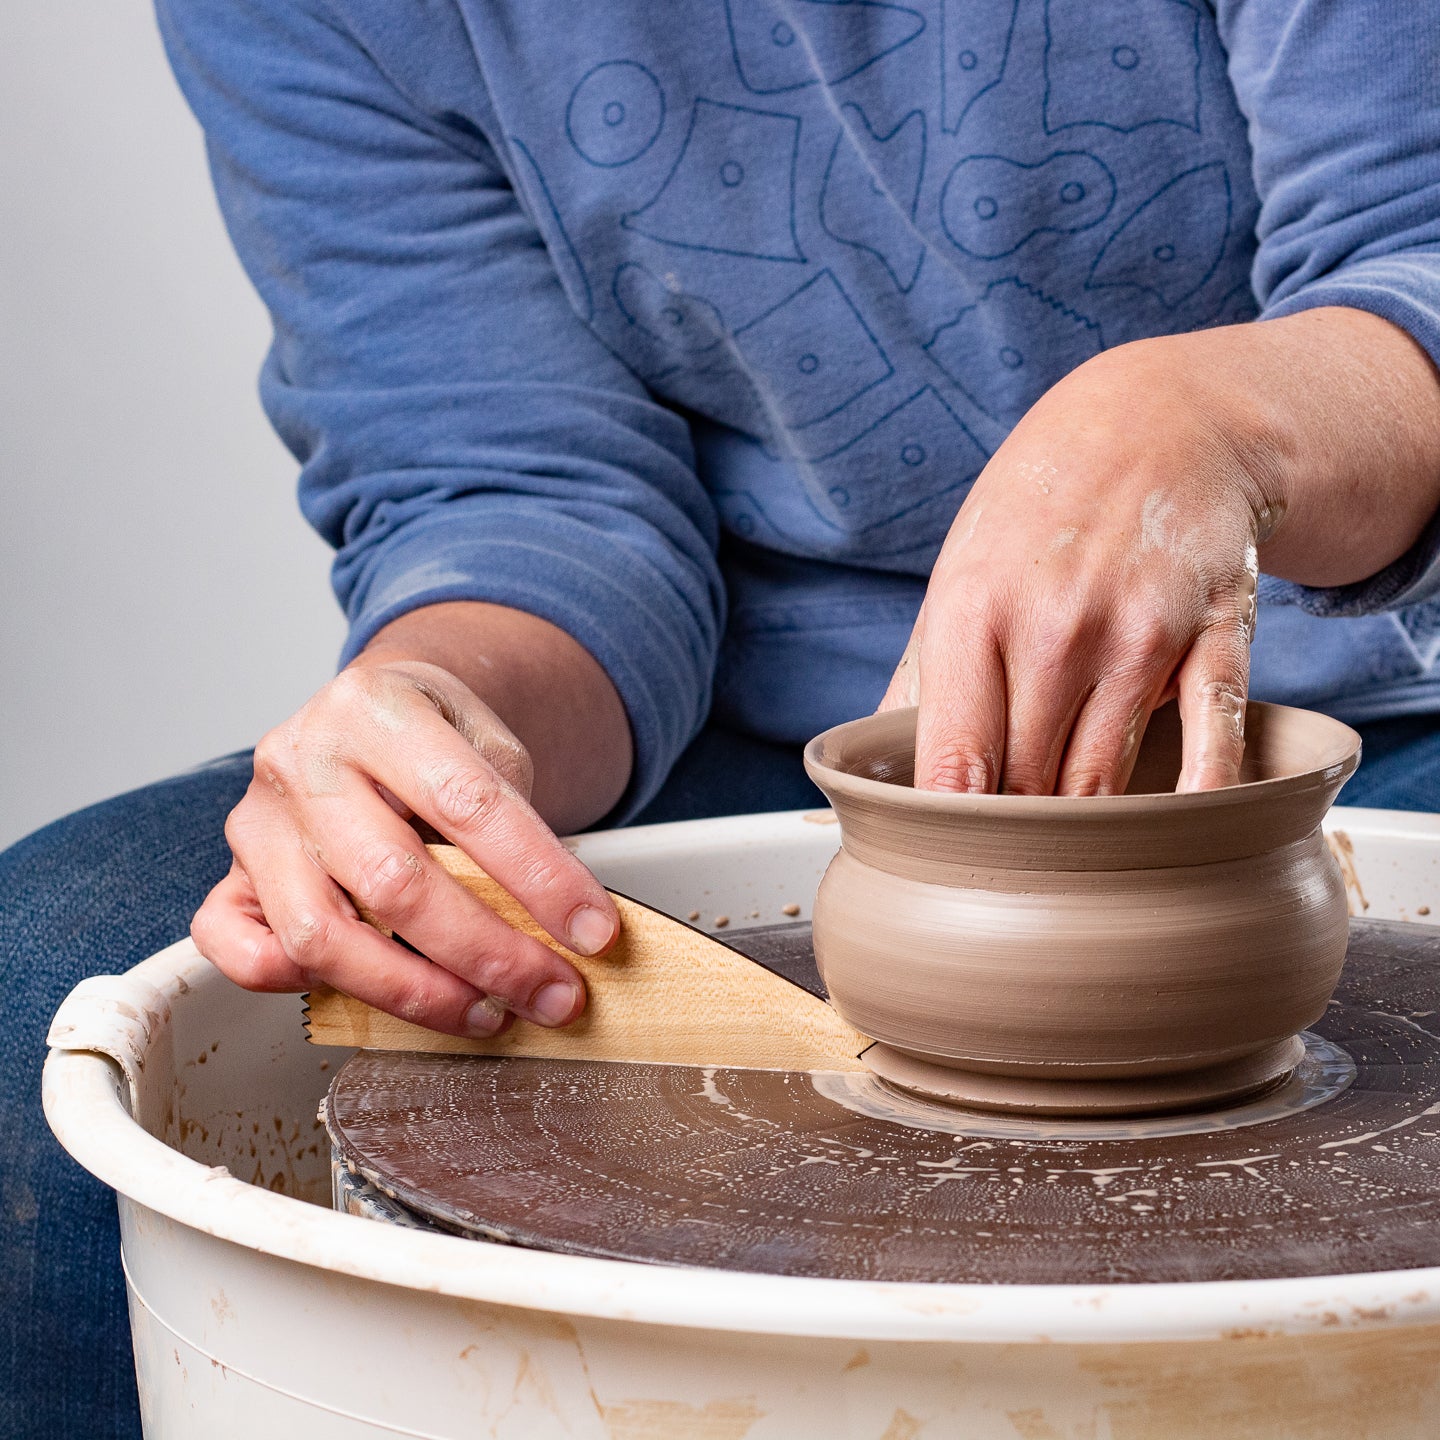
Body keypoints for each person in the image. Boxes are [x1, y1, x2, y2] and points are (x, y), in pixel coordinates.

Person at [4, 1, 1440, 1433]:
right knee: (48, 976)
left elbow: (1414, 248)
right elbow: (525, 492)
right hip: (773, 729)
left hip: (1371, 677)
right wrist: (451, 717)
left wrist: (1215, 419)